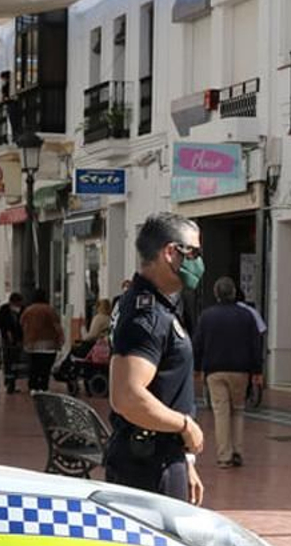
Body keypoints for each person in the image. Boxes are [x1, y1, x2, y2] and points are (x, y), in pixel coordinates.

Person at [106, 213, 208, 504]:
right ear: (171, 252)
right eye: (194, 253)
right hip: (147, 465)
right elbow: (127, 396)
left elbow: (165, 388)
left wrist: (185, 460)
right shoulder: (147, 314)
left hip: (160, 456)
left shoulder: (159, 306)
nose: (199, 262)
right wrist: (186, 427)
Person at [193, 277, 263, 469]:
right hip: (241, 370)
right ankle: (238, 451)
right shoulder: (247, 315)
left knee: (221, 412)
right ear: (234, 293)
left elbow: (197, 343)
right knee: (238, 410)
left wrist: (197, 367)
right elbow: (255, 344)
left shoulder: (207, 316)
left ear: (216, 294)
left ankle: (225, 455)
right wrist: (257, 370)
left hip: (214, 370)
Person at [21, 289, 63, 393]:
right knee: (45, 367)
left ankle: (33, 386)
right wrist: (61, 338)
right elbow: (56, 326)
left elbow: (22, 324)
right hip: (48, 344)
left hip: (31, 344)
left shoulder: (28, 310)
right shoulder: (49, 310)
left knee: (34, 366)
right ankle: (43, 387)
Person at [0, 292, 26, 394]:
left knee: (17, 360)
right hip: (7, 339)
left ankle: (13, 380)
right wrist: (7, 333)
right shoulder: (4, 309)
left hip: (20, 338)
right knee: (8, 359)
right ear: (12, 302)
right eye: (17, 304)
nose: (18, 306)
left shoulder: (24, 309)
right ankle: (9, 381)